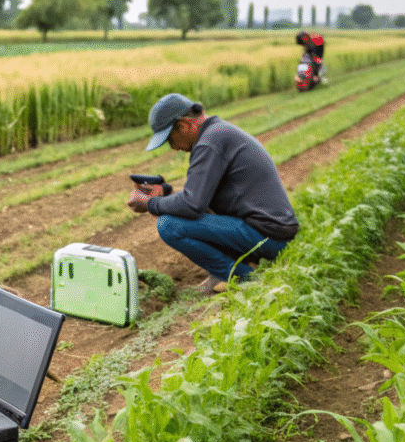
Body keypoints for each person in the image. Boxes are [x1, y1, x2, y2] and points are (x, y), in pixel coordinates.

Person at [127, 94, 300, 294]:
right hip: (271, 234)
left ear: (184, 125)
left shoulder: (209, 142)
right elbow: (200, 196)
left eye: (169, 139)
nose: (172, 147)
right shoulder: (216, 134)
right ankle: (229, 272)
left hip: (269, 238)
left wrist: (150, 203)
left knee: (169, 225)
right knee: (183, 214)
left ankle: (240, 276)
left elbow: (192, 205)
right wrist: (165, 192)